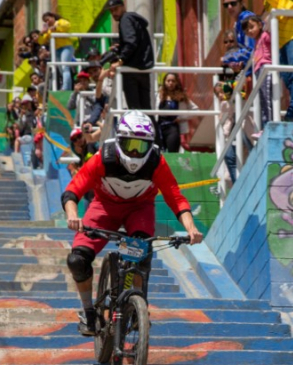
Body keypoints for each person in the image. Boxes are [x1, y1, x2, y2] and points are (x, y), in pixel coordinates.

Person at [62, 110, 203, 336]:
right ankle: (89, 313)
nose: (136, 152)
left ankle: (137, 304)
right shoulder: (102, 158)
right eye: (130, 145)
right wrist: (72, 214)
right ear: (118, 141)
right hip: (104, 208)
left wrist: (191, 228)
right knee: (77, 260)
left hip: (139, 209)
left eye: (142, 146)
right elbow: (73, 190)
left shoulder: (156, 162)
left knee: (139, 253)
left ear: (152, 145)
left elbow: (175, 197)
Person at [102, 0, 155, 110]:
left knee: (135, 109)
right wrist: (121, 47)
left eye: (115, 9)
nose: (113, 13)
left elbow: (131, 42)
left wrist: (120, 60)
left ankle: (139, 127)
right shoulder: (134, 20)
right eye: (111, 11)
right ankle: (152, 128)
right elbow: (135, 42)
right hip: (143, 68)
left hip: (131, 70)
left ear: (123, 7)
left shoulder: (125, 19)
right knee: (146, 109)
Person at [242, 15, 273, 130]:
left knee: (267, 98)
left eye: (251, 27)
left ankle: (269, 126)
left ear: (259, 25)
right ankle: (264, 127)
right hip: (258, 71)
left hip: (265, 68)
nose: (249, 31)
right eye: (246, 30)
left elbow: (271, 28)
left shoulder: (265, 35)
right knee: (261, 101)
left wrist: (266, 21)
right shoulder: (256, 42)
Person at [156, 73, 198, 153]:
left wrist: (181, 118)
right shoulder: (158, 95)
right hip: (159, 128)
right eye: (168, 81)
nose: (170, 83)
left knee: (173, 152)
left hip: (173, 128)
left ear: (176, 83)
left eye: (173, 81)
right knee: (158, 153)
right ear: (164, 82)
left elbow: (196, 110)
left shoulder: (181, 97)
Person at [38, 11, 77, 91]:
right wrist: (42, 33)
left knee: (65, 67)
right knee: (61, 69)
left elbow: (67, 25)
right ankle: (67, 87)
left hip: (66, 47)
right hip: (57, 50)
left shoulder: (60, 22)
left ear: (53, 17)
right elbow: (41, 41)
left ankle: (66, 88)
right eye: (45, 21)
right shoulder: (49, 30)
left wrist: (56, 27)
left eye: (48, 19)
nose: (47, 22)